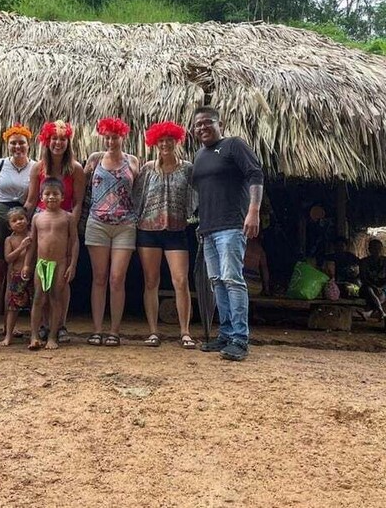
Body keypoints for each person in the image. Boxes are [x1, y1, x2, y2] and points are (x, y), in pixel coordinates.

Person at [191, 106, 263, 361]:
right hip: (208, 229)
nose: (202, 128)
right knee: (217, 282)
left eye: (207, 122)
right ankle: (226, 334)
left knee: (232, 280)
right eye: (198, 124)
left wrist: (253, 210)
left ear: (219, 123)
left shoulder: (233, 145)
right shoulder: (200, 155)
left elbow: (256, 174)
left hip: (232, 226)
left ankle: (240, 339)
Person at [134, 121, 196, 349]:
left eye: (169, 140)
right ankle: (153, 331)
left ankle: (185, 331)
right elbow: (136, 198)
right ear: (155, 143)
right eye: (161, 141)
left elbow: (196, 196)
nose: (165, 144)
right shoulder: (147, 169)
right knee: (151, 281)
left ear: (176, 141)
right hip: (148, 231)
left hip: (176, 230)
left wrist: (194, 216)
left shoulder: (188, 169)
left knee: (180, 280)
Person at [25, 120, 85, 343]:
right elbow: (32, 200)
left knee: (62, 281)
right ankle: (41, 325)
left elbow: (78, 201)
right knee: (41, 283)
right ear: (47, 141)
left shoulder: (75, 168)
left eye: (62, 139)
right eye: (54, 139)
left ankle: (59, 325)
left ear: (68, 142)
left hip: (65, 222)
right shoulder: (38, 168)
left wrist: (71, 226)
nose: (58, 143)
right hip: (42, 224)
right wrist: (25, 225)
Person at [84, 118, 140, 347]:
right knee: (99, 278)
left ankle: (114, 331)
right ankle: (97, 329)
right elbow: (83, 187)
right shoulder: (95, 159)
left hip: (125, 224)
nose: (110, 141)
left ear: (122, 136)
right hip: (97, 222)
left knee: (117, 279)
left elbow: (139, 191)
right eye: (106, 137)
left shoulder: (133, 161)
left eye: (114, 137)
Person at [0, 124, 36, 338]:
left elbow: (33, 197)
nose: (17, 146)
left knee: (18, 270)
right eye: (13, 143)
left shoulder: (35, 167)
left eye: (21, 142)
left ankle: (10, 323)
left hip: (23, 215)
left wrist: (27, 221)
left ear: (28, 144)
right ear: (8, 145)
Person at [23, 178, 79, 350]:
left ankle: (53, 336)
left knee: (55, 298)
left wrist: (72, 264)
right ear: (41, 197)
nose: (51, 197)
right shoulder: (37, 218)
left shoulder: (68, 217)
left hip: (60, 263)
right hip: (41, 263)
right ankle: (34, 335)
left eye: (56, 194)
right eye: (47, 194)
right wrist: (26, 264)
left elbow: (74, 241)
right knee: (39, 298)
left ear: (63, 197)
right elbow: (32, 244)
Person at [0, 207, 33, 346]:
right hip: (16, 275)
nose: (18, 222)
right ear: (9, 225)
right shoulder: (9, 240)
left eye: (21, 219)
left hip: (32, 274)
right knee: (13, 307)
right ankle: (8, 335)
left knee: (36, 304)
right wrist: (21, 247)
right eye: (14, 221)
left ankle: (35, 334)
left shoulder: (32, 235)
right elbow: (8, 258)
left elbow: (33, 255)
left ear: (27, 220)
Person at [359, 238, 386, 318]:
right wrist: (374, 287)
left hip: (384, 287)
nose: (376, 250)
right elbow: (363, 279)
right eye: (374, 248)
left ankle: (369, 312)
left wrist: (381, 288)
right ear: (369, 250)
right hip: (368, 287)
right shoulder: (364, 262)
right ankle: (381, 311)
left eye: (379, 248)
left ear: (382, 249)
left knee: (381, 294)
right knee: (369, 290)